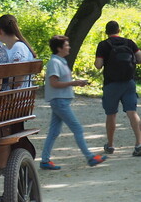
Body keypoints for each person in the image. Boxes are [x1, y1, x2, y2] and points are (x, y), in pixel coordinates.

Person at [39, 36, 107, 170]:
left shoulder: (61, 61)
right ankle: (90, 157)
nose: (69, 47)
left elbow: (60, 82)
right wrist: (74, 83)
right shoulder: (54, 63)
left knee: (54, 132)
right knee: (77, 128)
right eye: (66, 45)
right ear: (59, 48)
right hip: (59, 101)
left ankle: (45, 161)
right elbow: (54, 83)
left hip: (61, 101)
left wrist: (76, 83)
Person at [94, 20, 141, 156]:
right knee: (132, 112)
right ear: (119, 30)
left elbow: (98, 65)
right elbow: (139, 58)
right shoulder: (129, 43)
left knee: (111, 114)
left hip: (111, 84)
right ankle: (139, 144)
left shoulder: (103, 45)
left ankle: (110, 145)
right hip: (129, 83)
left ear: (106, 32)